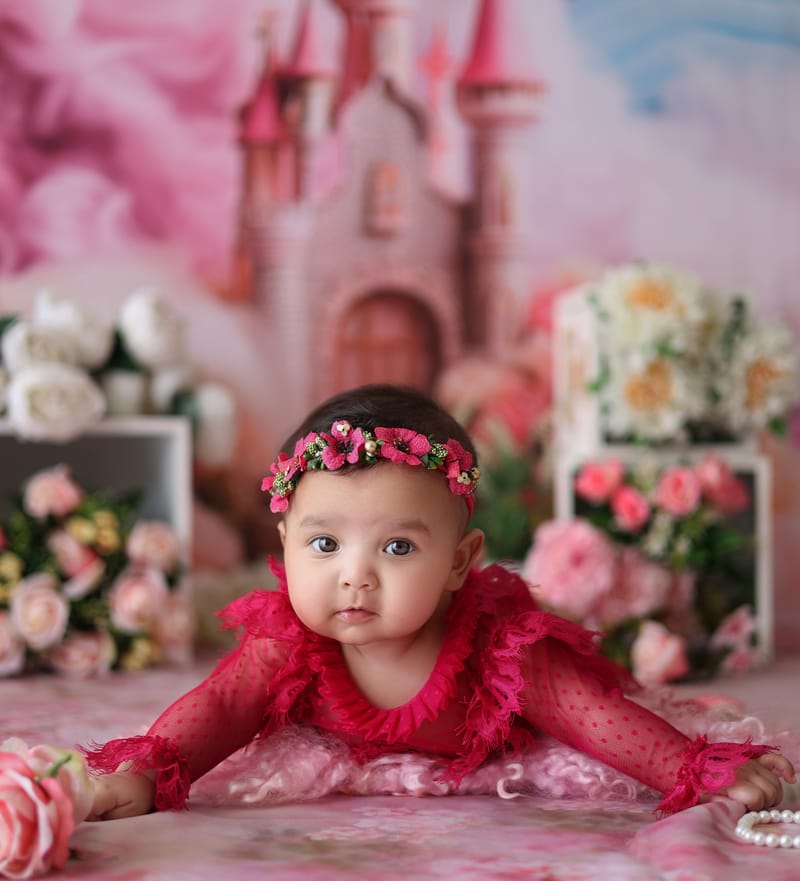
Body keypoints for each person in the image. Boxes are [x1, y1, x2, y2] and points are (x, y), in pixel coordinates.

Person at [86, 383, 795, 820]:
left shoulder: (500, 651)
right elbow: (221, 706)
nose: (353, 577)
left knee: (620, 698)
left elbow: (595, 717)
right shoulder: (291, 642)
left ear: (460, 561)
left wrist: (694, 770)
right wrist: (147, 772)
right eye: (324, 544)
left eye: (397, 548)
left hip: (500, 733)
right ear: (285, 540)